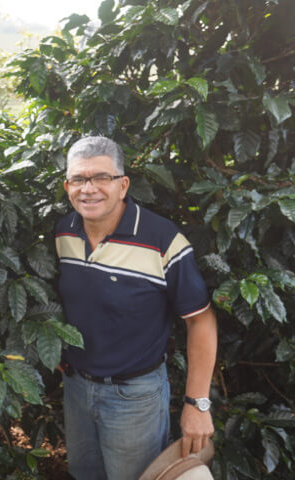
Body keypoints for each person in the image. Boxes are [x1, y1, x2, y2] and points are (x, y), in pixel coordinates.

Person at [55, 136, 217, 480]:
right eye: (79, 179)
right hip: (77, 388)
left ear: (123, 184)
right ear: (67, 185)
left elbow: (200, 320)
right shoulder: (64, 232)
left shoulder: (162, 240)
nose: (89, 189)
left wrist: (197, 403)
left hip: (134, 397)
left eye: (101, 178)